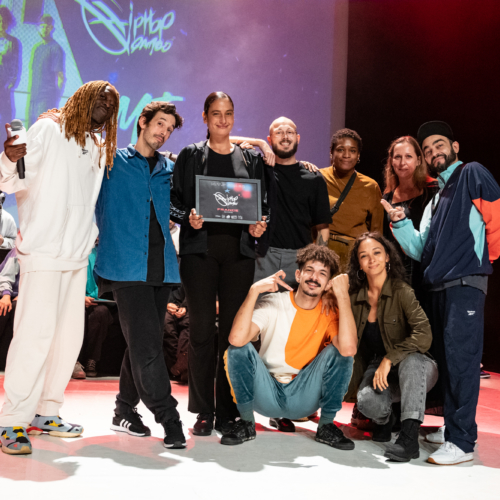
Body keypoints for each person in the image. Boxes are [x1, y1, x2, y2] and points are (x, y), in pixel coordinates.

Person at [0, 80, 119, 456]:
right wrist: (8, 157)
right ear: (81, 98)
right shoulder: (48, 129)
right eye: (101, 98)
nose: (106, 107)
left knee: (66, 342)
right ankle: (10, 420)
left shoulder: (97, 146)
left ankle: (46, 412)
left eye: (112, 104)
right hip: (43, 251)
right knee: (33, 337)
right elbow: (12, 179)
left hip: (76, 256)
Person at [382, 121, 500, 465]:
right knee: (448, 361)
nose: (434, 152)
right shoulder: (437, 199)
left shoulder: (472, 173)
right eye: (428, 149)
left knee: (462, 361)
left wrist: (483, 259)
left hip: (465, 283)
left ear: (455, 146)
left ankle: (462, 443)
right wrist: (400, 222)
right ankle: (452, 426)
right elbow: (420, 249)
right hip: (438, 285)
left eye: (439, 145)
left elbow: (495, 216)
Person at [171, 91, 268, 437]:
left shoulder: (251, 159)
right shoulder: (191, 155)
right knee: (199, 332)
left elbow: (263, 206)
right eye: (216, 113)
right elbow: (174, 203)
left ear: (233, 116)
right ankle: (203, 411)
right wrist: (188, 218)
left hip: (238, 255)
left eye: (228, 113)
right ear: (205, 117)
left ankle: (227, 412)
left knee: (232, 336)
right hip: (199, 253)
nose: (223, 120)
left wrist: (259, 226)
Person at [95, 101, 186, 448]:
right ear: (143, 121)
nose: (164, 132)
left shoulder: (170, 169)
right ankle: (170, 419)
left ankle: (123, 410)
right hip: (124, 266)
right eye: (159, 124)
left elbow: (212, 150)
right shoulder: (109, 161)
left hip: (161, 268)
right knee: (148, 346)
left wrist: (262, 144)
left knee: (141, 343)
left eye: (169, 128)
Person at [223, 244, 357, 447]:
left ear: (328, 283)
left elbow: (348, 350)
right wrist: (254, 291)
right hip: (266, 393)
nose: (314, 277)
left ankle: (326, 426)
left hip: (304, 397)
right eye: (309, 270)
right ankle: (247, 422)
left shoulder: (330, 311)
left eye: (322, 274)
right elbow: (236, 339)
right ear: (298, 274)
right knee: (237, 349)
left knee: (341, 353)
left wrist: (342, 296)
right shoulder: (273, 301)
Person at [345, 232, 438, 462]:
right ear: (359, 263)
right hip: (379, 366)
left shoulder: (401, 291)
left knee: (411, 362)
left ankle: (409, 438)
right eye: (364, 255)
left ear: (387, 257)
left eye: (377, 252)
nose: (371, 259)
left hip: (416, 365)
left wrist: (390, 359)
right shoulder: (354, 297)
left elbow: (424, 334)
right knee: (367, 401)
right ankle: (387, 420)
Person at [252, 117, 331, 289]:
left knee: (297, 307)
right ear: (269, 139)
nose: (285, 137)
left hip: (301, 259)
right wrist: (259, 143)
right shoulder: (259, 170)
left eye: (290, 132)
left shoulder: (314, 178)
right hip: (264, 257)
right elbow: (220, 141)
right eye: (279, 132)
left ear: (298, 138)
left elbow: (322, 227)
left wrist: (317, 262)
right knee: (259, 305)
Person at [382, 136, 438, 299]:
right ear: (391, 161)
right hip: (396, 277)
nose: (402, 163)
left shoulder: (434, 191)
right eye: (397, 157)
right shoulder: (386, 198)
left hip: (427, 276)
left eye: (408, 156)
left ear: (419, 160)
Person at [321, 128, 384, 269]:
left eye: (353, 150)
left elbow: (376, 233)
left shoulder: (370, 186)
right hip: (322, 253)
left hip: (354, 258)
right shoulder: (318, 178)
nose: (346, 155)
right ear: (331, 152)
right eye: (340, 149)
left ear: (358, 155)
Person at [27, 15, 64, 127]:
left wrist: (55, 97)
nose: (44, 29)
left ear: (52, 28)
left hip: (46, 99)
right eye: (41, 26)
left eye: (47, 26)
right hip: (34, 98)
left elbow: (60, 77)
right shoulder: (37, 48)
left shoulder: (55, 48)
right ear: (38, 28)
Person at [163, 284, 189, 383]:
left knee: (188, 323)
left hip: (191, 305)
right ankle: (177, 366)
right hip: (166, 306)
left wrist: (186, 307)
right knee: (165, 322)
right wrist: (165, 304)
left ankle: (180, 366)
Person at [0, 6, 20, 124]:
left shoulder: (13, 42)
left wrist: (12, 81)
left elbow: (15, 63)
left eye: (4, 21)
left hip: (4, 84)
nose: (1, 24)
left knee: (7, 114)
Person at [0, 247, 19, 371]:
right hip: (5, 291)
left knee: (17, 308)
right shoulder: (18, 251)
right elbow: (5, 277)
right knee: (4, 308)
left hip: (25, 296)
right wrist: (6, 295)